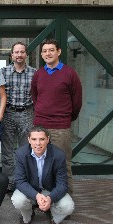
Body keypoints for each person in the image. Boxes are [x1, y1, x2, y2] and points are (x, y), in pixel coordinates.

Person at [31, 39, 82, 194]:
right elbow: (35, 97)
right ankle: (40, 200)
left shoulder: (70, 74)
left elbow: (77, 101)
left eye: (51, 50)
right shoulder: (38, 74)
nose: (48, 53)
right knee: (38, 164)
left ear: (58, 51)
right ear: (41, 54)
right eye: (45, 51)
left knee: (63, 165)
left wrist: (66, 117)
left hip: (61, 127)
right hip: (40, 127)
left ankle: (65, 203)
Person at [11, 126, 74, 224]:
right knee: (18, 200)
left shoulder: (58, 155)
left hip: (50, 190)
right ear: (29, 140)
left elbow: (62, 184)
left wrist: (50, 198)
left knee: (68, 207)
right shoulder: (21, 154)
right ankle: (27, 218)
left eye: (42, 139)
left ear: (48, 139)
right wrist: (36, 195)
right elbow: (20, 181)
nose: (38, 143)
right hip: (31, 189)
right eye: (34, 139)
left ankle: (55, 219)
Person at [0, 42, 36, 193]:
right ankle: (8, 182)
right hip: (8, 113)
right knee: (7, 151)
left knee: (25, 150)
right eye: (16, 52)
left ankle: (22, 182)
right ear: (12, 55)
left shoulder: (35, 73)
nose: (19, 55)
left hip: (27, 113)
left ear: (26, 55)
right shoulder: (3, 72)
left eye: (22, 52)